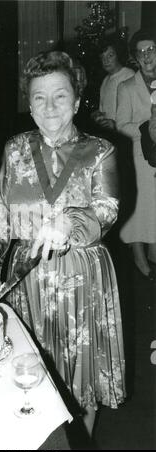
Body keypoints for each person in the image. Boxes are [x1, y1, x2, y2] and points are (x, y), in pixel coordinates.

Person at [0, 50, 126, 438]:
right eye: (39, 97)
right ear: (29, 104)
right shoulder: (14, 150)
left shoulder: (100, 151)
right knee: (30, 375)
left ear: (77, 101)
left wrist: (68, 221)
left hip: (80, 278)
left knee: (80, 385)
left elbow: (107, 211)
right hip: (26, 278)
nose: (49, 106)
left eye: (60, 95)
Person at [116, 29, 156, 279]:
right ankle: (140, 260)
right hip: (142, 158)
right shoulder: (127, 87)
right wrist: (147, 132)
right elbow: (121, 124)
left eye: (151, 49)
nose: (146, 56)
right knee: (143, 209)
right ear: (135, 58)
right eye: (141, 52)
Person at [92, 37, 134, 131]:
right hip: (110, 134)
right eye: (102, 57)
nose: (106, 60)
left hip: (126, 134)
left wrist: (115, 124)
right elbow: (104, 110)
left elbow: (136, 112)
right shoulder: (105, 81)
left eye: (110, 55)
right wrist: (98, 115)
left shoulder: (129, 75)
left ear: (118, 55)